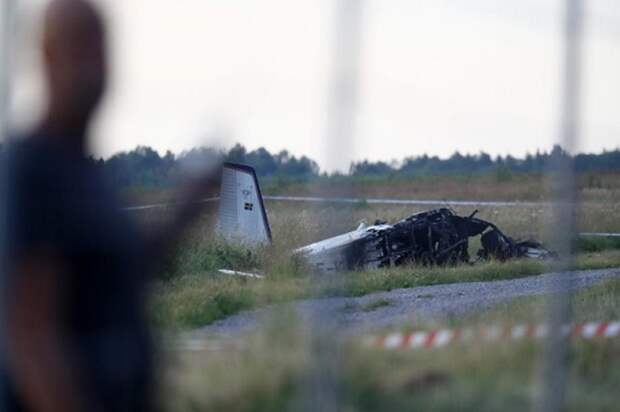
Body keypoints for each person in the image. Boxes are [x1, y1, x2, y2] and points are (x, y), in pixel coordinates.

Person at [1, 1, 220, 410]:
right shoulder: (33, 168)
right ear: (47, 56)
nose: (94, 68)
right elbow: (32, 339)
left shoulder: (87, 172)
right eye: (79, 47)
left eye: (100, 48)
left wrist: (184, 212)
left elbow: (123, 272)